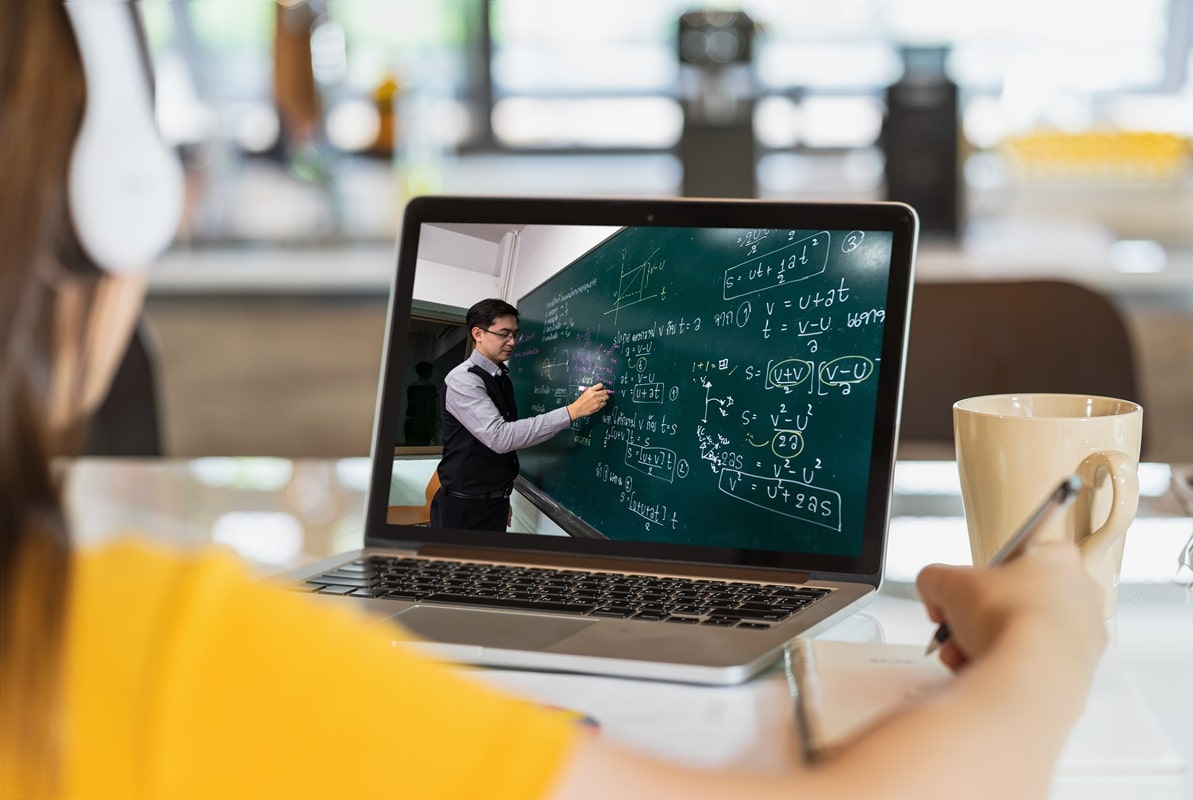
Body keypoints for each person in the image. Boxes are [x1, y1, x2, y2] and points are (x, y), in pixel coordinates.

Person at [1, 3, 1107, 797]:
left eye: (509, 332)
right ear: (112, 209)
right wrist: (1050, 641)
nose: (508, 341)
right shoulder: (124, 650)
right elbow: (500, 433)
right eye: (499, 331)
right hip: (470, 517)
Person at [431, 298, 608, 531]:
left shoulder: (500, 377)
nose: (512, 342)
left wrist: (501, 497)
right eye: (504, 334)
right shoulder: (463, 380)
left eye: (515, 334)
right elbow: (500, 437)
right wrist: (572, 412)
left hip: (492, 503)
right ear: (478, 333)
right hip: (464, 511)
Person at [403, 360, 438, 445]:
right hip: (423, 425)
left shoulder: (411, 387)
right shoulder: (430, 387)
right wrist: (432, 427)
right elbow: (430, 409)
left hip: (411, 423)